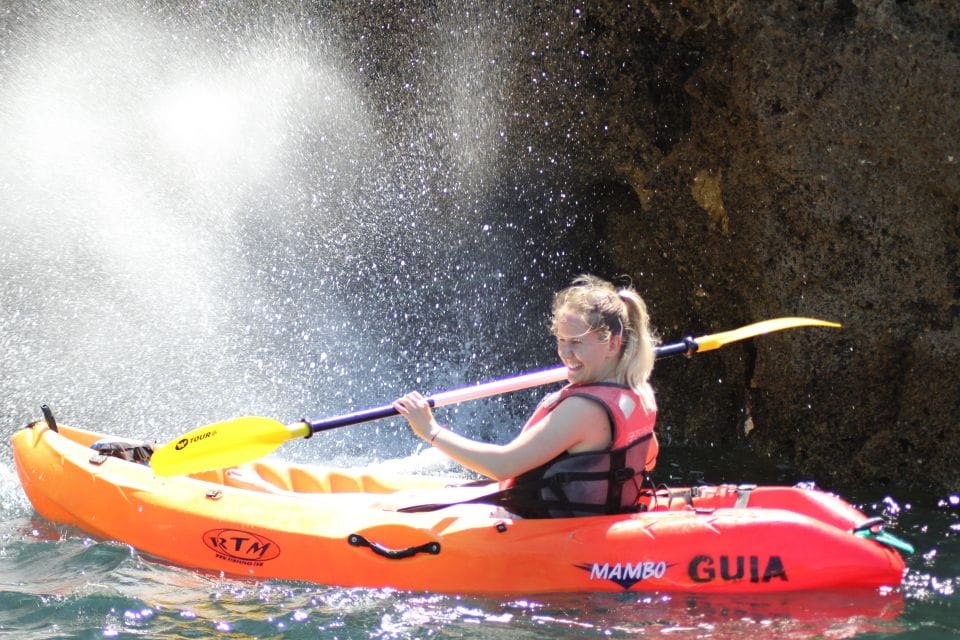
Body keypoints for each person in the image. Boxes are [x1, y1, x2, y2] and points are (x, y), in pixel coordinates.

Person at [393, 274, 660, 517]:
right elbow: (649, 457)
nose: (565, 353)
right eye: (561, 339)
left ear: (612, 344)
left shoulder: (583, 410)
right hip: (595, 519)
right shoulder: (638, 393)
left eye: (577, 342)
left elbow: (503, 465)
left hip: (546, 530)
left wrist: (430, 430)